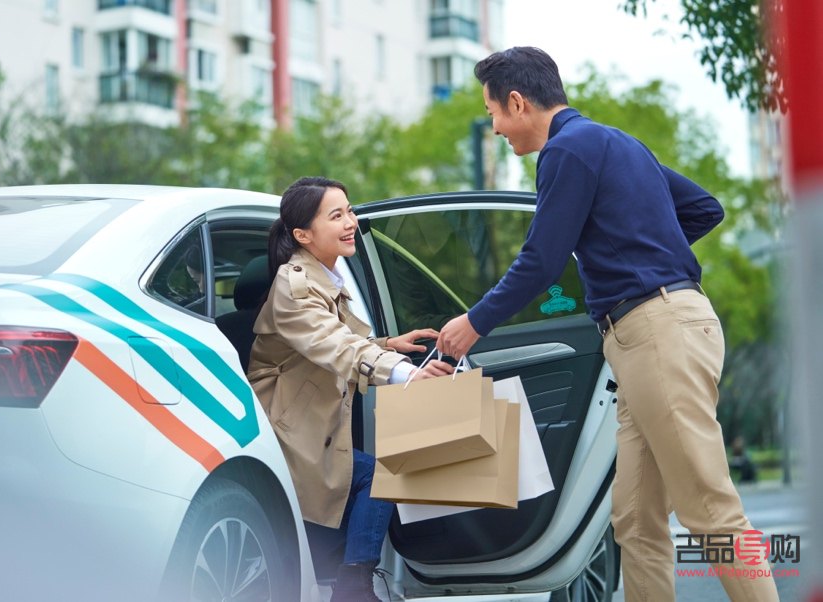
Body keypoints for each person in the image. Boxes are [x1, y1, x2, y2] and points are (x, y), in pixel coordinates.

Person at [436, 47, 779, 601]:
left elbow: (541, 260)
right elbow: (704, 209)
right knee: (635, 521)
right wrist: (636, 249)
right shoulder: (617, 143)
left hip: (659, 332)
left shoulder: (564, 151)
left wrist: (475, 323)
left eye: (494, 113)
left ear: (518, 102)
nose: (496, 128)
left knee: (709, 508)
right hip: (652, 334)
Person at [247, 176, 453, 601]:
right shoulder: (295, 285)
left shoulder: (324, 279)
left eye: (350, 211)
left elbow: (331, 341)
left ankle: (354, 581)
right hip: (288, 431)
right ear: (303, 234)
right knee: (382, 473)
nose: (351, 223)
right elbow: (334, 344)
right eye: (336, 215)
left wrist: (386, 346)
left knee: (382, 472)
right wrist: (404, 373)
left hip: (310, 425)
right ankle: (354, 586)